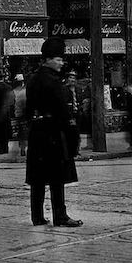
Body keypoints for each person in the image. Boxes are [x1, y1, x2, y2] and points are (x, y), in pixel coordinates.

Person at [25, 37, 82, 228]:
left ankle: (37, 216)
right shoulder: (54, 82)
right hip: (53, 134)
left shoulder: (33, 79)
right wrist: (72, 135)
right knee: (57, 177)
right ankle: (60, 215)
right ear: (48, 59)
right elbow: (63, 112)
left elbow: (28, 108)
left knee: (38, 178)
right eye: (58, 59)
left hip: (37, 133)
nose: (61, 63)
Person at [12, 73, 28, 157]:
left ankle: (22, 148)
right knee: (24, 133)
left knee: (21, 133)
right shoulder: (25, 91)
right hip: (26, 115)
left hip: (20, 114)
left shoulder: (15, 91)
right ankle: (24, 148)